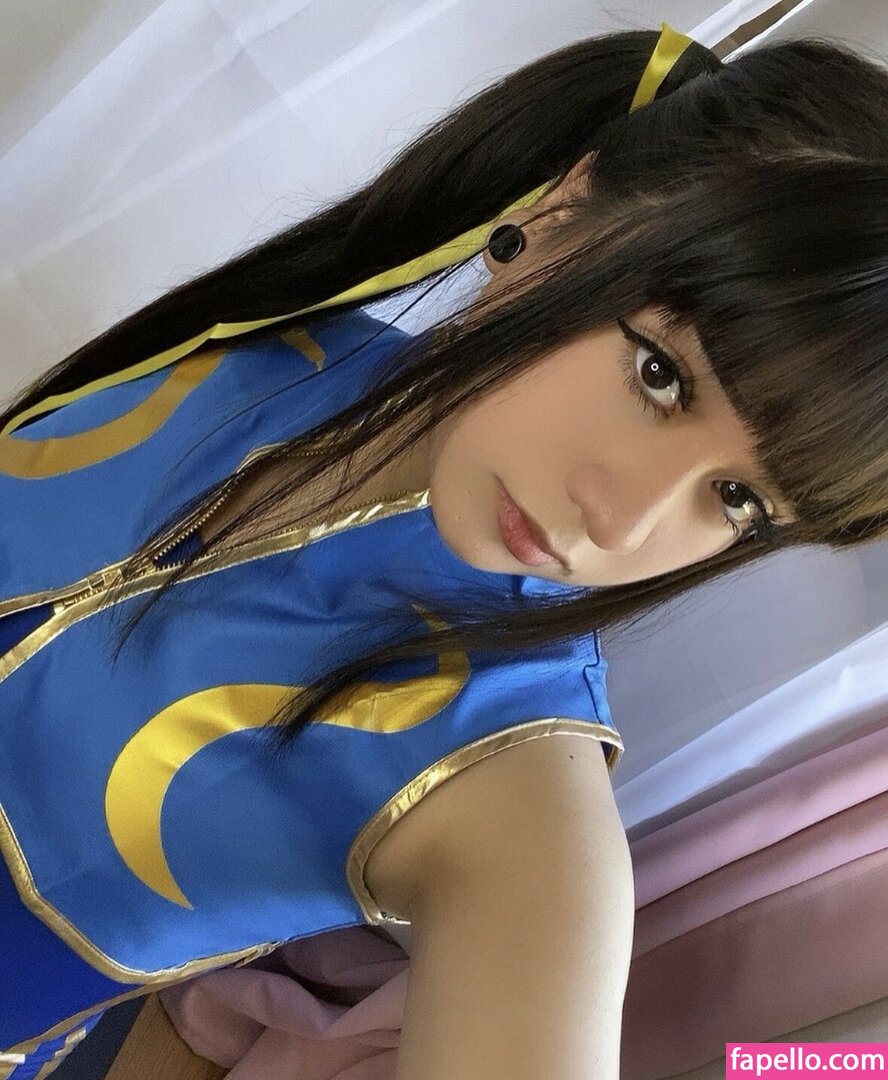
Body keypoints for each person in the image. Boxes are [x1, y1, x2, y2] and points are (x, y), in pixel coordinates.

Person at [1, 20, 886, 1080]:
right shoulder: (286, 335)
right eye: (660, 376)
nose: (622, 524)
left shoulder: (513, 797)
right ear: (559, 212)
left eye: (741, 500)